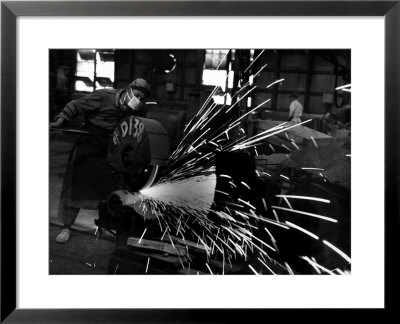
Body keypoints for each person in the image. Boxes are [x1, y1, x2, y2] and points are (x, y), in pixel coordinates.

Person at [50, 78, 152, 243]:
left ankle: (103, 226)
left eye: (142, 99)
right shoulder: (105, 96)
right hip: (88, 143)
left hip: (109, 147)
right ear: (129, 90)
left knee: (106, 189)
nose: (138, 100)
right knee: (77, 187)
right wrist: (61, 120)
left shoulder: (130, 110)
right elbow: (75, 105)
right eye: (137, 95)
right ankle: (66, 227)